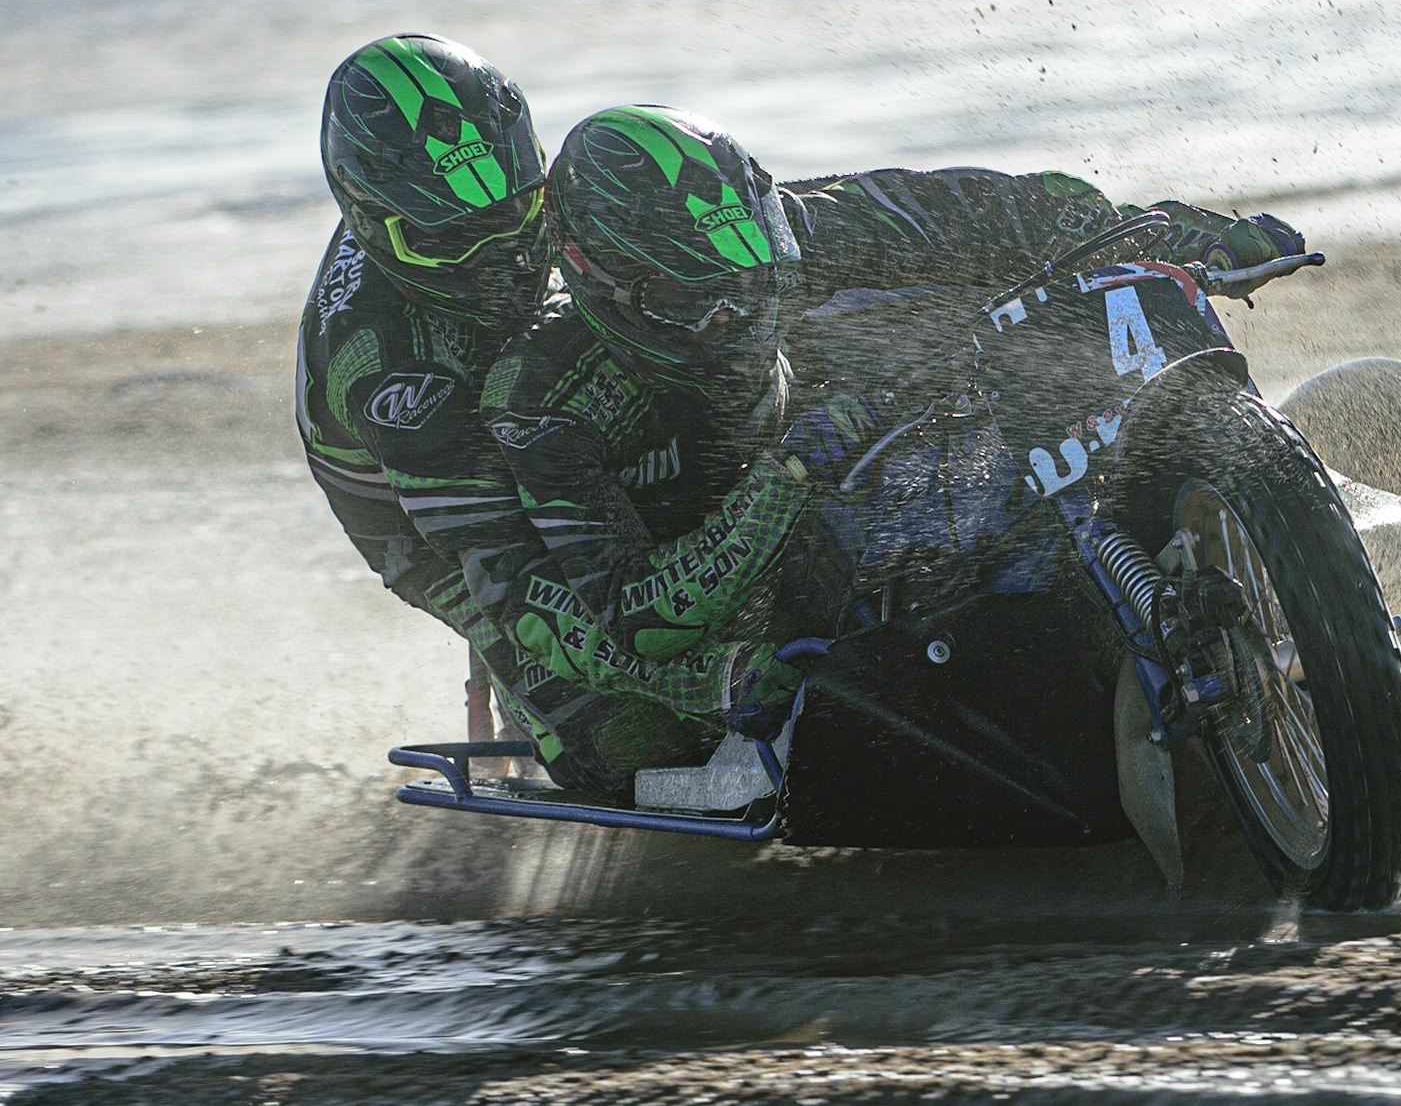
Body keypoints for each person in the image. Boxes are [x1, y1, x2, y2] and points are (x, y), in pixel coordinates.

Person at [481, 104, 1307, 777]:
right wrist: (784, 479)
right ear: (603, 285)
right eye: (699, 302)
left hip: (854, 447)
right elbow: (638, 617)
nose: (736, 315)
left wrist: (1171, 234)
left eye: (754, 279)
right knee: (636, 748)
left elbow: (1011, 208)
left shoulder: (805, 230)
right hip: (694, 604)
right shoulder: (542, 397)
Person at [297, 36, 690, 798]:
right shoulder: (383, 367)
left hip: (500, 390)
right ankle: (540, 716)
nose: (506, 252)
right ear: (374, 221)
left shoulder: (515, 199)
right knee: (624, 743)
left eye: (518, 209)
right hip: (421, 520)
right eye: (449, 236)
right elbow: (506, 571)